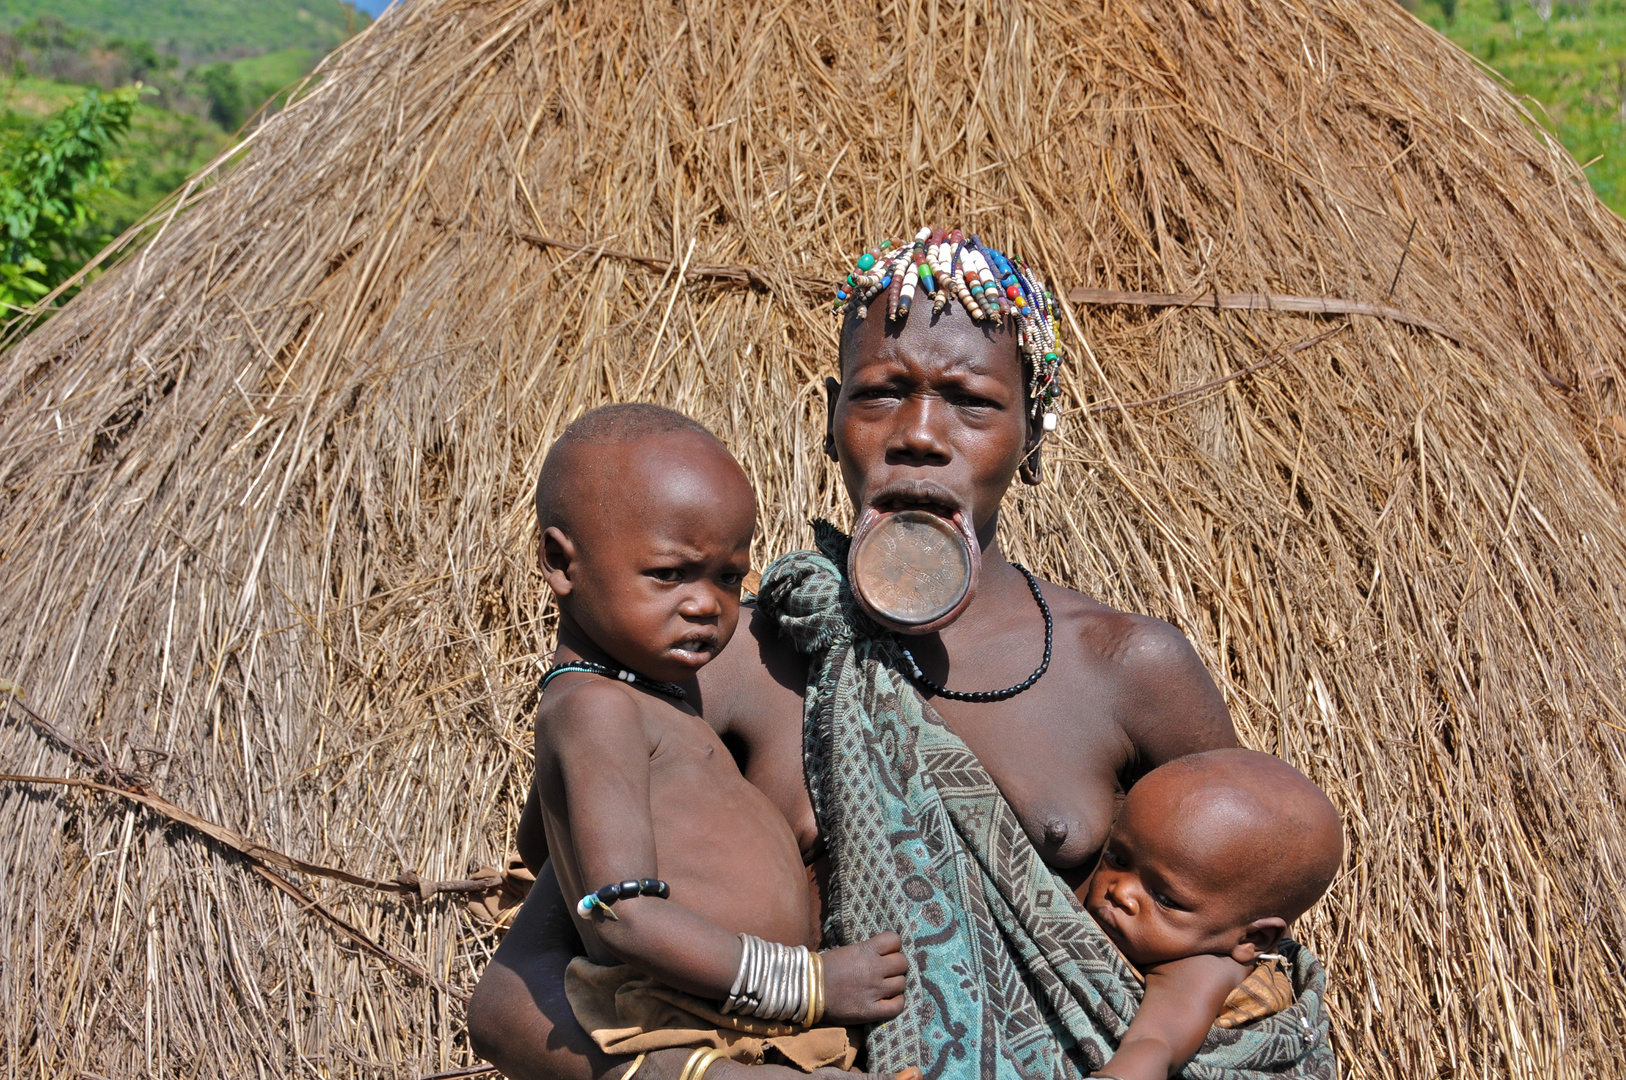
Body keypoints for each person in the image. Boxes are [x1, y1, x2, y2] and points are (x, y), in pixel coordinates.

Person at [469, 229, 1333, 1080]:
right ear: (832, 419)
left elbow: (1241, 938)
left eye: (972, 401)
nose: (921, 432)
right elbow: (522, 995)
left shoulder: (1126, 668)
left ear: (1033, 433)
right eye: (882, 392)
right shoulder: (721, 659)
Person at [523, 403, 912, 1080]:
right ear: (562, 563)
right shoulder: (597, 709)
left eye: (729, 577)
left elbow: (541, 845)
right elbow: (620, 914)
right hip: (687, 1024)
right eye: (670, 574)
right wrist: (812, 983)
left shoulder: (633, 699)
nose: (707, 603)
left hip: (728, 1018)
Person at [1083, 749, 1343, 1080]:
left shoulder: (1201, 970)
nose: (1121, 892)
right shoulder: (1193, 930)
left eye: (1164, 898)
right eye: (1118, 860)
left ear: (1252, 938)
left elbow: (1153, 1044)